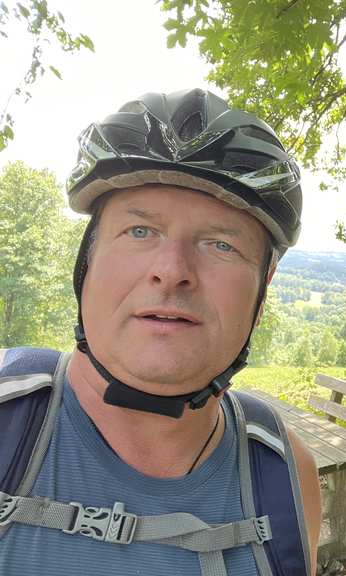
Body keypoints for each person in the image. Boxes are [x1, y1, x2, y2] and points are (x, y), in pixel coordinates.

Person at [0, 88, 321, 576]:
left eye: (220, 244)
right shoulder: (8, 413)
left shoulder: (284, 474)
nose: (172, 271)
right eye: (139, 231)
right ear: (88, 259)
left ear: (263, 286)